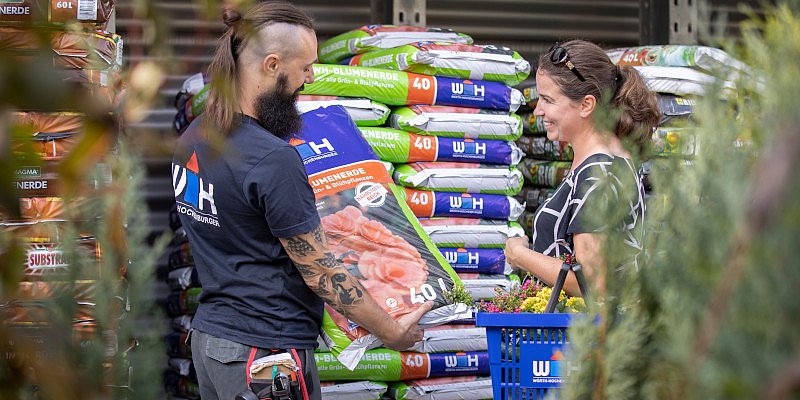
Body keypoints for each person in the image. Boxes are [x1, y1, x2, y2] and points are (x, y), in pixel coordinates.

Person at [171, 3, 432, 399]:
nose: (310, 78)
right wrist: (392, 331)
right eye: (305, 67)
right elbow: (322, 273)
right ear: (272, 64)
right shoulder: (272, 158)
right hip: (266, 355)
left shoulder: (194, 136)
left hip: (214, 343)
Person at [504, 40, 661, 296]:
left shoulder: (600, 174)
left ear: (586, 105)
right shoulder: (602, 164)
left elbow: (591, 281)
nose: (538, 110)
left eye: (548, 100)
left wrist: (520, 255)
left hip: (583, 335)